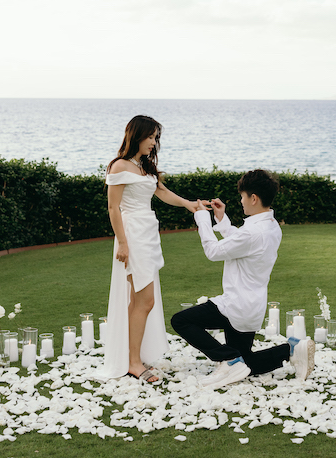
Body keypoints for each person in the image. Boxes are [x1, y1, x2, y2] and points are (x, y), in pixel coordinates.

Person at [171, 169, 315, 390]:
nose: (241, 201)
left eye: (243, 196)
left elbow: (214, 252)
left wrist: (202, 218)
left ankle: (227, 359)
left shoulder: (252, 232)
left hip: (235, 305)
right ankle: (291, 350)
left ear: (254, 198)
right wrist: (221, 219)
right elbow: (241, 244)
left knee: (181, 321)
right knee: (245, 364)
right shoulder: (271, 226)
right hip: (252, 307)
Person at [99, 115, 200, 383]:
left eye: (156, 138)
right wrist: (122, 243)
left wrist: (189, 204)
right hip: (132, 235)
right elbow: (113, 208)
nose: (154, 143)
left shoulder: (143, 167)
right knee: (145, 300)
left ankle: (134, 357)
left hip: (148, 234)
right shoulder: (119, 166)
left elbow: (162, 192)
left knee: (140, 300)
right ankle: (133, 362)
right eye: (151, 137)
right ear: (137, 135)